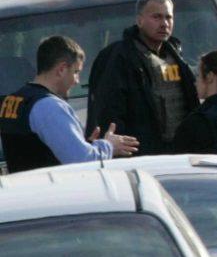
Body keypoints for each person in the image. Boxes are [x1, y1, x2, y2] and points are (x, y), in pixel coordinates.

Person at [0, 36, 138, 172]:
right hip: (52, 190)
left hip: (25, 189)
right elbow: (83, 161)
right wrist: (109, 146)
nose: (77, 80)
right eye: (76, 72)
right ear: (62, 69)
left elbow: (30, 150)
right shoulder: (48, 106)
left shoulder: (14, 99)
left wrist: (85, 144)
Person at [88, 0, 200, 155]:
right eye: (156, 17)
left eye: (168, 17)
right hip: (143, 155)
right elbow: (110, 110)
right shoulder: (118, 58)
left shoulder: (176, 55)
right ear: (139, 20)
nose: (164, 24)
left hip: (180, 151)